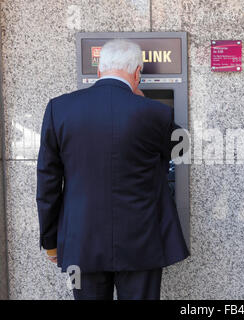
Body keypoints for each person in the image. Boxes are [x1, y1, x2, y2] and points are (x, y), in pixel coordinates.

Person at [36, 39, 189, 300]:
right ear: (137, 71)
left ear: (99, 70)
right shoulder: (155, 113)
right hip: (143, 242)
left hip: (82, 242)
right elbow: (181, 151)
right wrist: (143, 103)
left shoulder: (59, 109)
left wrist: (51, 241)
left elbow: (48, 182)